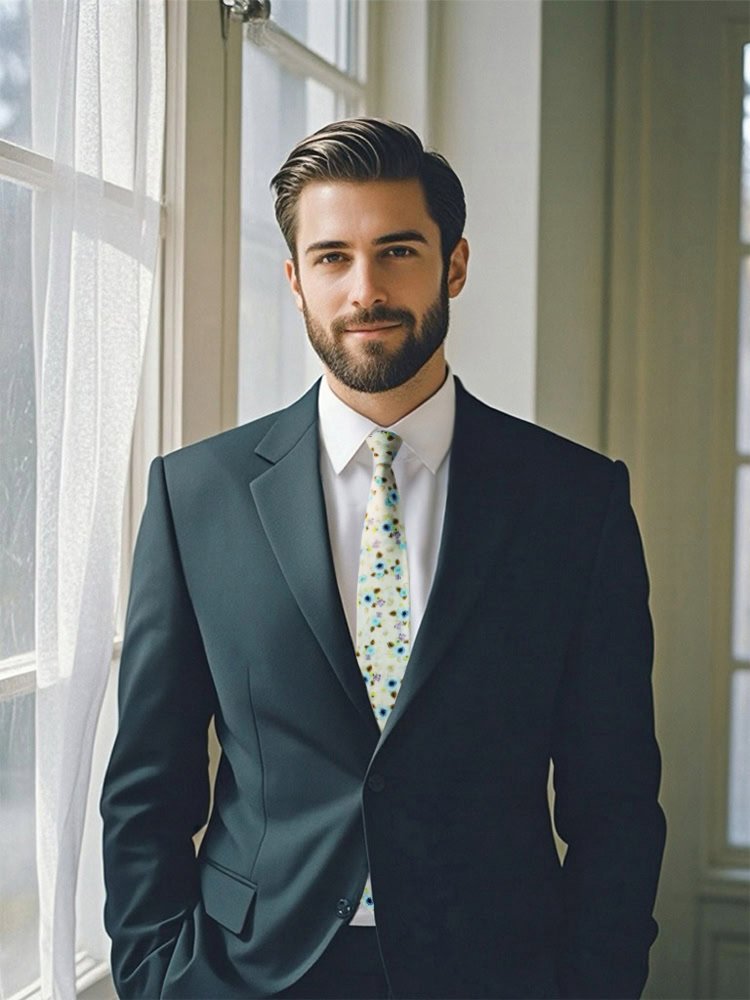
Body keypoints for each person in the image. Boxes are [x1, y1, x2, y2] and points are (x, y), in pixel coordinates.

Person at [101, 118, 666, 1000]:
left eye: (397, 250)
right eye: (331, 257)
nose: (365, 289)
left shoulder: (576, 502)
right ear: (294, 281)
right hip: (245, 973)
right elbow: (146, 788)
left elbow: (617, 801)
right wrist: (153, 977)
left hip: (498, 971)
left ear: (456, 264)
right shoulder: (194, 496)